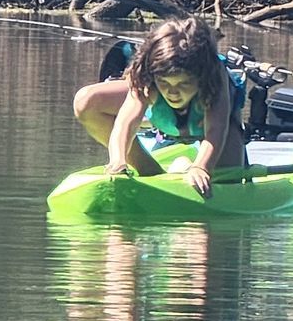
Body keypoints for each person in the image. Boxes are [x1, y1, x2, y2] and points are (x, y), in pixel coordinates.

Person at [72, 16, 247, 196]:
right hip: (167, 122)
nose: (173, 92)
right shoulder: (146, 72)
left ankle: (186, 166)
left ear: (200, 78)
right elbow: (126, 122)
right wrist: (118, 160)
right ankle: (148, 169)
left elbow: (216, 130)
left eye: (183, 84)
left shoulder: (213, 75)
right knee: (85, 101)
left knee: (227, 184)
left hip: (215, 129)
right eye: (165, 83)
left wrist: (201, 168)